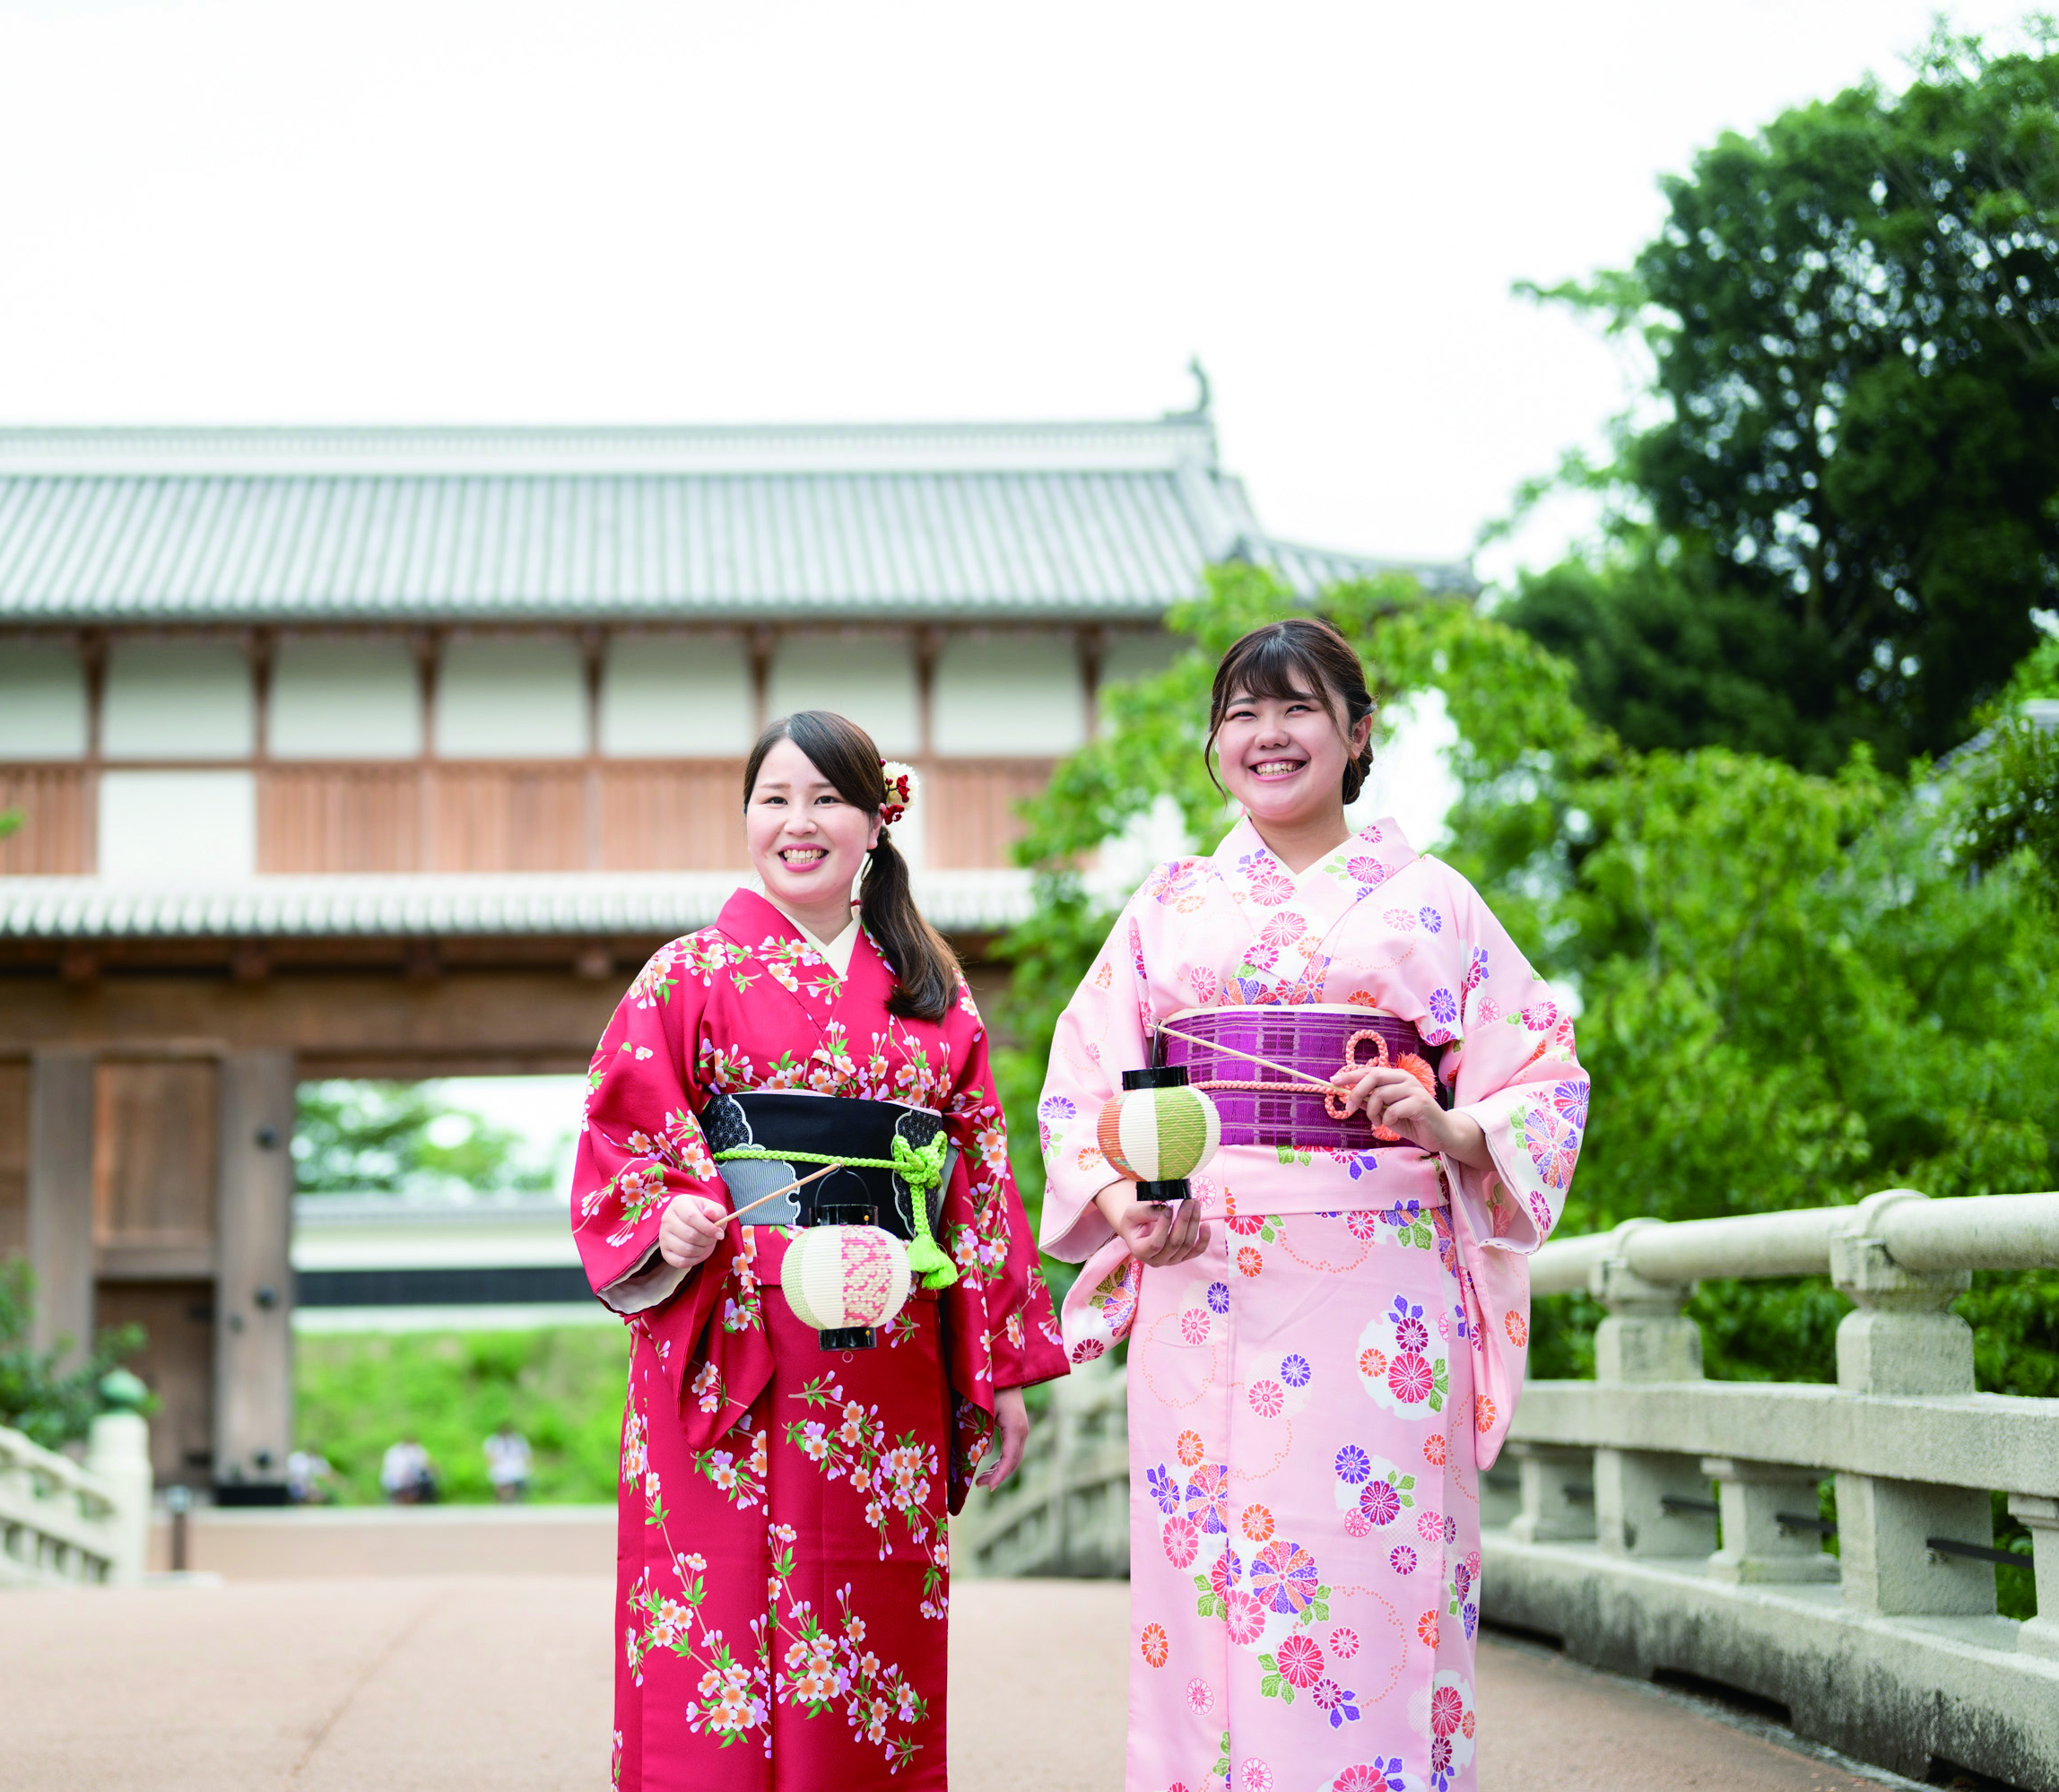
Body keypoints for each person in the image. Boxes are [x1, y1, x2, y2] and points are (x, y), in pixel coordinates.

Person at [1038, 618, 1587, 1792]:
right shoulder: (1167, 903)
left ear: (1354, 732)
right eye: (1238, 713)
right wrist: (1132, 1200)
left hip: (1376, 1281)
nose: (1264, 734)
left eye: (1294, 708)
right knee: (1203, 1578)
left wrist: (1445, 1123)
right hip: (1200, 1267)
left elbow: (1539, 1071)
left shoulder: (1431, 901)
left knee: (1372, 1563)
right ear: (1212, 745)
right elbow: (1080, 1086)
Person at [573, 709, 1067, 1789]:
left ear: (876, 823)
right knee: (715, 1617)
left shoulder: (932, 998)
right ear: (747, 818)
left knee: (868, 1627)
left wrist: (1004, 1372)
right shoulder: (685, 975)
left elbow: (978, 1187)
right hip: (731, 1344)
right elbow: (623, 1140)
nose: (797, 824)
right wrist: (674, 1216)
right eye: (773, 800)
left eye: (826, 800)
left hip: (883, 1362)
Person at [378, 1432, 437, 1505]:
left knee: (427, 1480)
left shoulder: (417, 1450)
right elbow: (393, 1470)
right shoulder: (394, 1452)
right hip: (396, 1478)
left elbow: (426, 1463)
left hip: (413, 1478)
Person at [483, 1424, 532, 1503]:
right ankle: (501, 1498)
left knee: (512, 1477)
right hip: (500, 1465)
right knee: (500, 1477)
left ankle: (511, 1498)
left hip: (514, 1465)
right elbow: (490, 1456)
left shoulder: (518, 1440)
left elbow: (525, 1454)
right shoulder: (493, 1440)